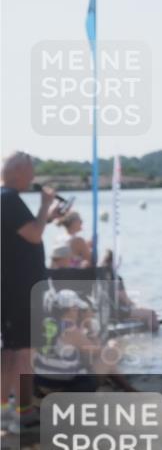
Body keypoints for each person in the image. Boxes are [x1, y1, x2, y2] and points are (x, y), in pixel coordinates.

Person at [1, 152, 58, 432]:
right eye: (31, 172)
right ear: (19, 171)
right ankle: (23, 410)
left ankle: (5, 410)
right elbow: (34, 234)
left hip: (13, 286)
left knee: (12, 350)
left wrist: (46, 214)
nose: (34, 178)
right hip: (19, 288)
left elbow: (28, 233)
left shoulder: (6, 198)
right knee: (23, 350)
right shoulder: (8, 198)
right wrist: (46, 204)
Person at [33, 288, 134, 396]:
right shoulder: (71, 330)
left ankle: (125, 387)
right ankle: (129, 389)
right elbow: (98, 351)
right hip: (63, 387)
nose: (79, 312)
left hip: (41, 382)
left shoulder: (47, 323)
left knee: (85, 359)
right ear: (72, 309)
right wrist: (89, 326)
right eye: (77, 309)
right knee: (109, 354)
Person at [100, 250, 159, 332]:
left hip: (101, 313)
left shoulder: (98, 275)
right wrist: (136, 306)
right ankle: (155, 340)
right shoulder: (116, 278)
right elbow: (126, 301)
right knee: (151, 314)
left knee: (138, 313)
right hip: (115, 313)